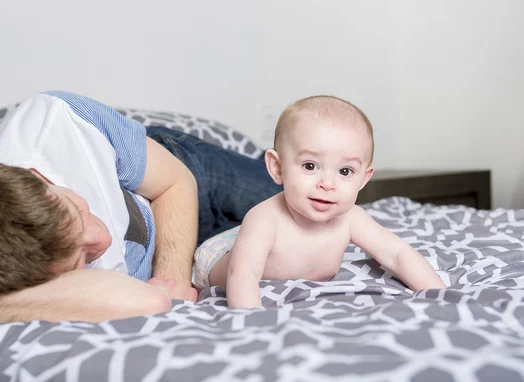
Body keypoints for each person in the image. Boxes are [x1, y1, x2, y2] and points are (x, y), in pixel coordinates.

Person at [0, 91, 281, 323]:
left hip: (180, 180)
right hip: (170, 238)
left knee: (320, 203)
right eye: (79, 260)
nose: (103, 239)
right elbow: (145, 303)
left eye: (76, 213)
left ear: (39, 178)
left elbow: (176, 183)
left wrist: (172, 277)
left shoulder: (62, 121)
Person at [191, 95, 447, 308]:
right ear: (277, 168)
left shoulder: (351, 218)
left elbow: (396, 253)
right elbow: (242, 274)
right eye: (310, 166)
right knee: (240, 246)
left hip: (252, 242)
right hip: (218, 254)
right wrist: (253, 325)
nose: (327, 184)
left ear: (363, 178)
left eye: (345, 171)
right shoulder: (264, 219)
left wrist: (439, 294)